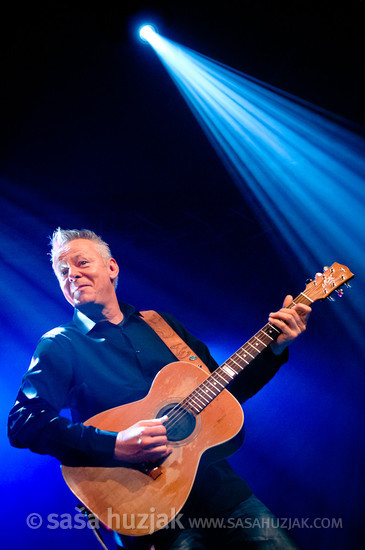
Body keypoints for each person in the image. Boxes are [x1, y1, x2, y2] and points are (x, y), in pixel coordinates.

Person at [8, 228, 311, 550]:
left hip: (225, 494)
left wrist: (274, 349)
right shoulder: (59, 344)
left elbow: (222, 398)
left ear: (112, 267)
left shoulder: (162, 325)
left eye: (82, 263)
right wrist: (114, 443)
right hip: (150, 514)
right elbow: (24, 422)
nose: (73, 274)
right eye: (63, 271)